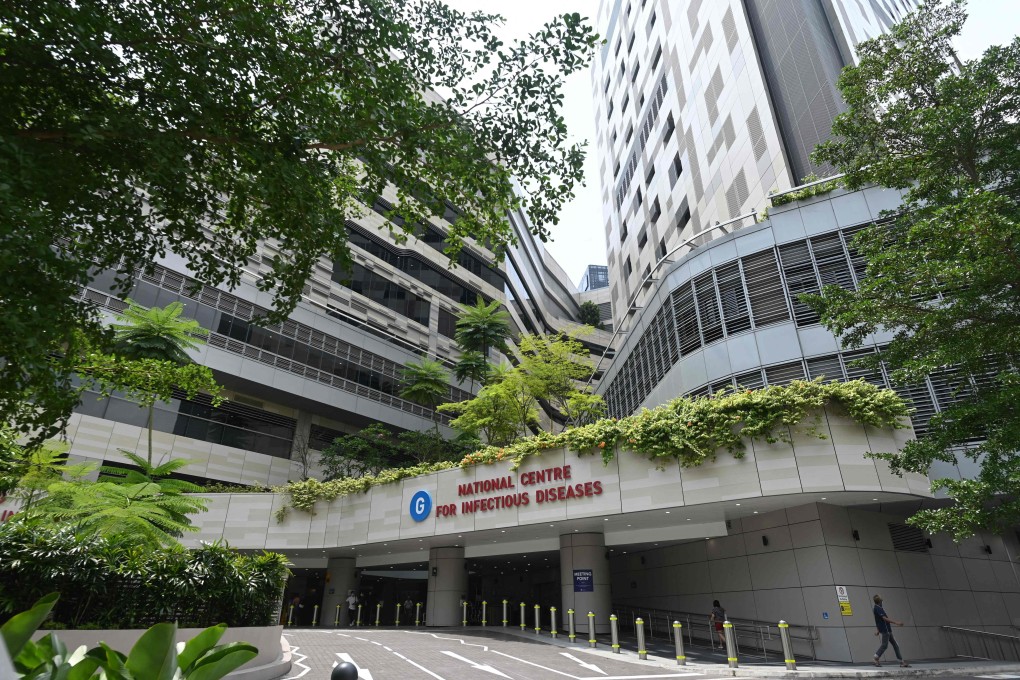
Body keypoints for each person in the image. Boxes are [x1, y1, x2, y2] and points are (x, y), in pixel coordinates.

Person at [872, 594, 910, 667]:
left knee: (895, 645)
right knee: (884, 645)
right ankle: (875, 658)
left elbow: (877, 620)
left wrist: (877, 630)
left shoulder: (877, 608)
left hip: (887, 630)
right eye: (881, 600)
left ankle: (901, 662)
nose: (882, 601)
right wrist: (896, 622)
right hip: (885, 630)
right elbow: (884, 618)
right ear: (880, 601)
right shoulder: (878, 608)